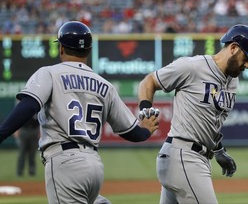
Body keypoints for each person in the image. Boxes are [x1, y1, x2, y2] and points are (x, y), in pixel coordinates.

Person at [0, 21, 159, 204]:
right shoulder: (105, 85)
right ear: (89, 51)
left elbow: (28, 106)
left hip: (64, 161)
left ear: (61, 48)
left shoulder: (50, 73)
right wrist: (145, 130)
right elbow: (133, 133)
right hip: (94, 167)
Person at [137, 24, 248, 204]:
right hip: (183, 155)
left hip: (197, 158)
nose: (247, 65)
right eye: (246, 58)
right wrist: (145, 110)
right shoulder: (192, 67)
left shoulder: (232, 82)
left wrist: (219, 150)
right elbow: (149, 81)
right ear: (234, 48)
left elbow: (210, 121)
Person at [13, 112, 39, 177]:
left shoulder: (37, 107)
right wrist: (16, 130)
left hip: (34, 130)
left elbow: (41, 120)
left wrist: (40, 132)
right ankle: (19, 171)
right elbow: (18, 119)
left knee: (32, 153)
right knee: (22, 152)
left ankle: (32, 171)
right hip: (24, 130)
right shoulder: (24, 105)